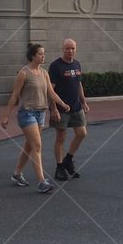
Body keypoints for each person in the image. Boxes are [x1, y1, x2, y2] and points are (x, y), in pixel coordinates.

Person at [0, 44, 69, 194]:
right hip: (27, 113)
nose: (43, 56)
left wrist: (62, 104)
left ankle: (17, 174)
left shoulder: (44, 73)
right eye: (40, 54)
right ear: (32, 55)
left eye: (44, 54)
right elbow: (14, 95)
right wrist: (6, 115)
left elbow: (51, 93)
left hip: (40, 113)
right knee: (37, 145)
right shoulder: (24, 73)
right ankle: (41, 181)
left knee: (29, 146)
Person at [49, 38, 89, 182]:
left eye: (73, 48)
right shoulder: (55, 66)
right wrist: (53, 109)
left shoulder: (77, 64)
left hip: (76, 107)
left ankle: (68, 159)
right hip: (61, 109)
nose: (70, 51)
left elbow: (79, 85)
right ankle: (59, 167)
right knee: (61, 137)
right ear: (62, 49)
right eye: (68, 48)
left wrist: (84, 102)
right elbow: (50, 90)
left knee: (82, 133)